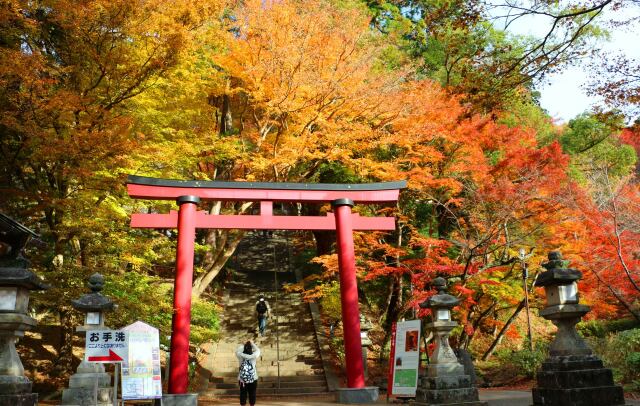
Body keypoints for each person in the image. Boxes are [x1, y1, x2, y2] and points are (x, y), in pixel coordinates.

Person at [236, 340, 260, 406]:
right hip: (253, 378)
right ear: (251, 349)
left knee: (243, 393)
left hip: (242, 379)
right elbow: (258, 350)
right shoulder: (254, 356)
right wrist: (252, 343)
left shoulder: (240, 355)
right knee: (252, 393)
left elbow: (237, 351)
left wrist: (243, 344)